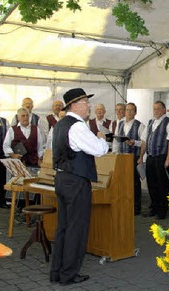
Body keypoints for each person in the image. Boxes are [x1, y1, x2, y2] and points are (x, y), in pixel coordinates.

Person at [50, 88, 109, 286]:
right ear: (74, 105)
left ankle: (57, 271)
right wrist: (101, 136)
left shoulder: (60, 125)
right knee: (77, 228)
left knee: (64, 228)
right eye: (86, 102)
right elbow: (99, 150)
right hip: (75, 182)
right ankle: (69, 274)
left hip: (62, 179)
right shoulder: (77, 126)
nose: (89, 105)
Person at [113, 103, 146, 215]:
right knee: (122, 182)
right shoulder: (120, 124)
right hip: (122, 157)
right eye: (127, 110)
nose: (129, 112)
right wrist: (115, 154)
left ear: (135, 112)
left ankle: (136, 207)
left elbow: (144, 143)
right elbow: (116, 140)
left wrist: (134, 142)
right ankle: (124, 205)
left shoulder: (140, 125)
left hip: (133, 157)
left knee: (134, 183)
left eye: (131, 110)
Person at [144, 101, 169, 219]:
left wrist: (168, 158)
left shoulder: (168, 122)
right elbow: (145, 139)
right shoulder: (151, 122)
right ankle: (154, 206)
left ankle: (162, 209)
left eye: (159, 109)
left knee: (162, 184)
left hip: (161, 156)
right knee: (151, 183)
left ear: (164, 110)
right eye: (154, 109)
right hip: (150, 157)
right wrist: (142, 156)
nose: (156, 111)